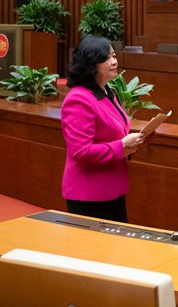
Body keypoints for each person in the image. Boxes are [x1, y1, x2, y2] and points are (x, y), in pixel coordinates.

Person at [60, 35, 144, 222]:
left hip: (112, 189)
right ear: (91, 63)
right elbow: (81, 151)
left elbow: (112, 134)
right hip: (89, 194)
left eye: (114, 56)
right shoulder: (79, 99)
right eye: (107, 58)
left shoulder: (107, 91)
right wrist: (122, 145)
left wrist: (135, 142)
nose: (114, 61)